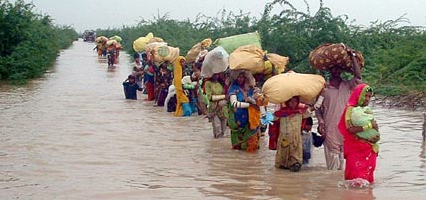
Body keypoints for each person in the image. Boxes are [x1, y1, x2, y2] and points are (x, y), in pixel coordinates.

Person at [315, 48, 362, 170]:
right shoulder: (324, 89)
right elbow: (317, 108)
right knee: (332, 167)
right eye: (333, 69)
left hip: (345, 129)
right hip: (330, 130)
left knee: (345, 167)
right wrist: (320, 121)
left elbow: (358, 76)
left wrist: (352, 56)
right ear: (330, 71)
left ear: (341, 71)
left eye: (338, 69)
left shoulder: (348, 86)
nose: (336, 71)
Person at [338, 83, 379, 183]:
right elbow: (350, 129)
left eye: (369, 96)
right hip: (355, 149)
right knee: (354, 180)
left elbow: (375, 126)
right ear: (359, 95)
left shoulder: (365, 110)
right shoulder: (350, 109)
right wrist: (369, 126)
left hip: (369, 148)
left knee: (368, 183)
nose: (367, 99)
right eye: (365, 95)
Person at [274, 96, 311, 172]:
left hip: (296, 137)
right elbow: (272, 118)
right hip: (284, 137)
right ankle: (283, 164)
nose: (293, 103)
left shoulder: (300, 112)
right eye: (290, 101)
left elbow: (309, 113)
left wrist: (306, 105)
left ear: (298, 102)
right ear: (287, 102)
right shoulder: (282, 112)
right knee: (283, 156)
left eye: (295, 101)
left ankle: (295, 164)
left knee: (296, 154)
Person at [227, 69, 261, 152]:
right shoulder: (233, 88)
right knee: (238, 148)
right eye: (238, 77)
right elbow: (234, 103)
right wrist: (249, 105)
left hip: (251, 120)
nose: (240, 79)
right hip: (238, 120)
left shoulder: (251, 87)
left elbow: (259, 101)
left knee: (253, 145)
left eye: (242, 77)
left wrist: (258, 96)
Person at [205, 73, 228, 138]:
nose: (216, 76)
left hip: (223, 107)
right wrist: (224, 96)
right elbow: (210, 97)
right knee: (217, 128)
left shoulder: (222, 83)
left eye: (217, 74)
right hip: (214, 108)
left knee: (224, 130)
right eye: (214, 74)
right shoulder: (208, 83)